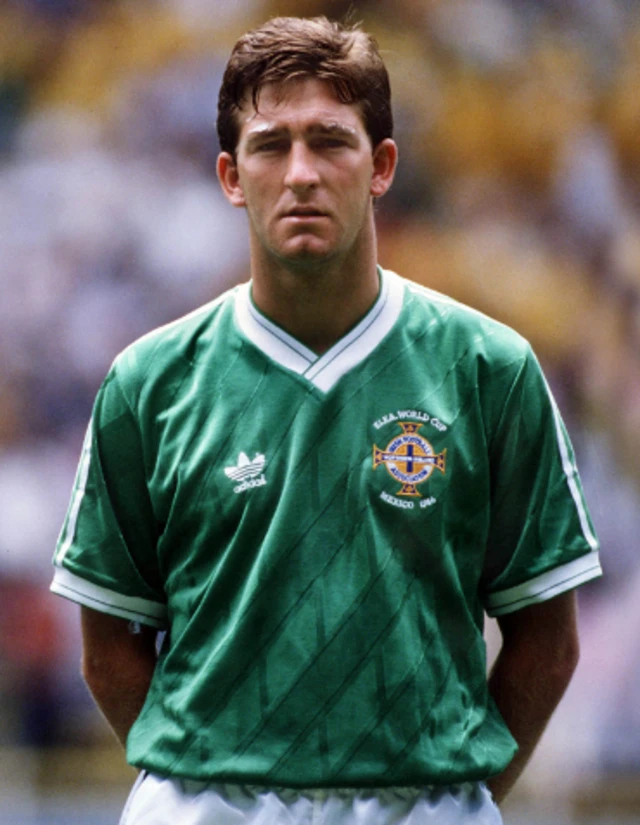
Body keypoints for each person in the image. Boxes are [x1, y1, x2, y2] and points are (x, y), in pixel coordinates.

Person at [50, 15, 602, 825]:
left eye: (330, 142)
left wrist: (454, 789)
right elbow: (107, 648)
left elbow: (548, 643)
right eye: (272, 145)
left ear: (380, 166)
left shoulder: (490, 367)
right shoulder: (149, 381)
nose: (301, 173)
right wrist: (209, 769)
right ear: (232, 176)